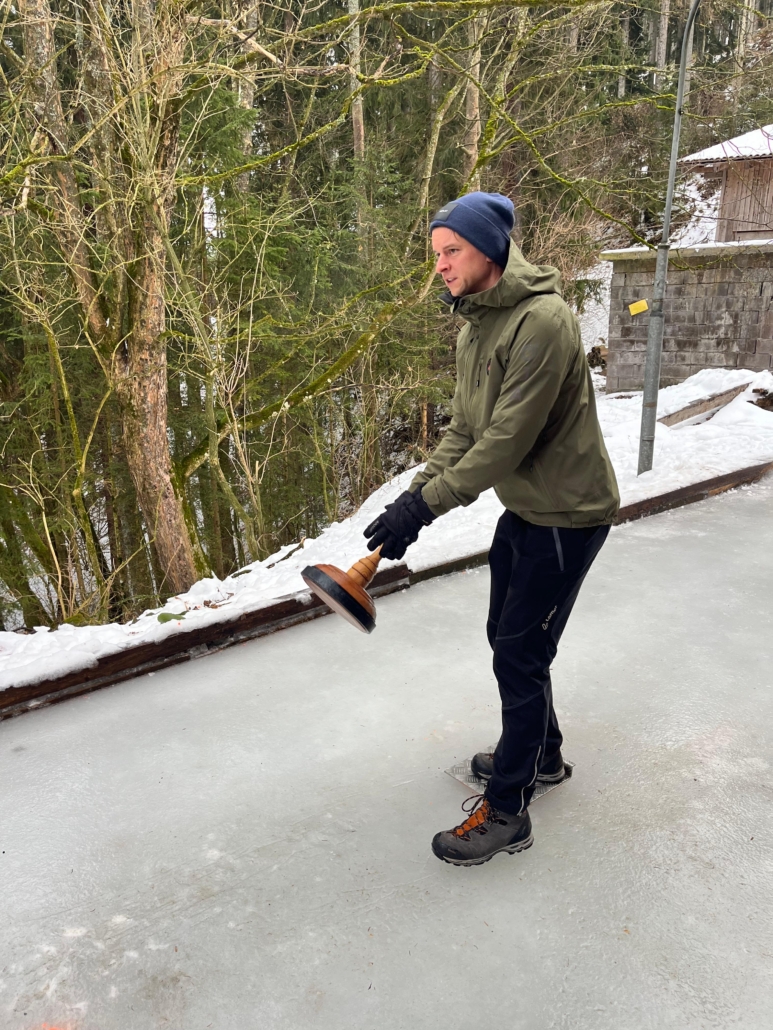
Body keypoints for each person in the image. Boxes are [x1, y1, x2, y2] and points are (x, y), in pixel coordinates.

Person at [363, 191, 620, 867]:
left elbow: (506, 440)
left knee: (518, 653)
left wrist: (431, 506)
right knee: (508, 641)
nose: (440, 266)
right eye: (436, 253)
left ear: (489, 249)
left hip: (568, 513)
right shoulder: (476, 323)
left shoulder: (543, 321)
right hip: (526, 508)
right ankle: (543, 755)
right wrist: (413, 499)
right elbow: (466, 430)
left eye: (451, 251)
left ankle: (508, 809)